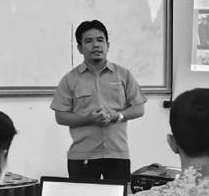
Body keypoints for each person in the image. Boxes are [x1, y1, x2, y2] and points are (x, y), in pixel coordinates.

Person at [52, 20, 146, 181]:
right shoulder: (70, 79)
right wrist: (89, 119)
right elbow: (61, 116)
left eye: (100, 40)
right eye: (89, 41)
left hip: (117, 154)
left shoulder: (123, 75)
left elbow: (139, 108)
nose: (96, 45)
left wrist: (117, 116)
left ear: (107, 45)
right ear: (80, 48)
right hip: (82, 156)